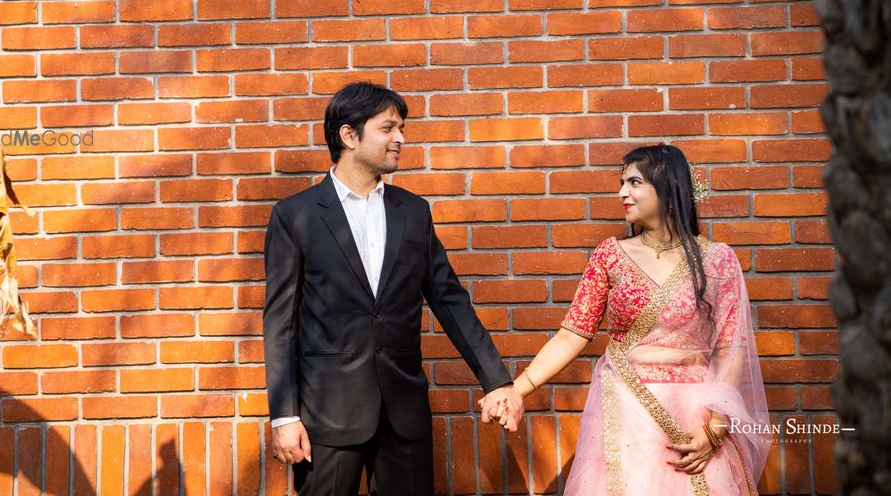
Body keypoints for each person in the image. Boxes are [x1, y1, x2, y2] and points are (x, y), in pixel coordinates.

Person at [263, 82, 523, 495]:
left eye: (402, 128)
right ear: (349, 136)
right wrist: (284, 416)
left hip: (404, 414)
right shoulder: (295, 215)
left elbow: (449, 298)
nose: (400, 139)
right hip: (326, 417)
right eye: (388, 128)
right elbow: (281, 323)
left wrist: (495, 380)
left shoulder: (413, 212)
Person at [490, 144, 772, 494]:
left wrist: (716, 427)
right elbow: (571, 335)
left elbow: (732, 350)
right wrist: (516, 390)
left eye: (634, 182)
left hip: (695, 416)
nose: (622, 192)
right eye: (622, 182)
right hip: (625, 407)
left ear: (668, 188)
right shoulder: (610, 256)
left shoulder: (717, 261)